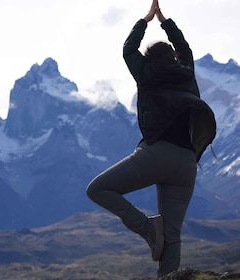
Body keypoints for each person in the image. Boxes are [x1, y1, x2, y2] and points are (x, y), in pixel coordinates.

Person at [86, 0, 215, 277]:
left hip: (156, 153)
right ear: (173, 57)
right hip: (186, 163)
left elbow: (128, 49)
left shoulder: (145, 74)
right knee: (173, 233)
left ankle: (147, 228)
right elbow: (186, 49)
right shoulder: (188, 75)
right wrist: (165, 22)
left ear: (149, 59)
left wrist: (145, 20)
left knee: (97, 189)